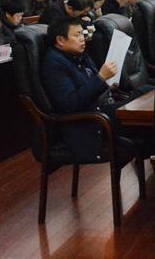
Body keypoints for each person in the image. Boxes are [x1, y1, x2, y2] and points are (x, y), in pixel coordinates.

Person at [40, 18, 141, 160]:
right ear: (60, 40)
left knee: (146, 92)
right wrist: (101, 79)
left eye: (82, 33)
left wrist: (108, 85)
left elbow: (92, 85)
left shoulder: (79, 55)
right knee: (148, 114)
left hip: (103, 107)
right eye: (77, 35)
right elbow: (70, 103)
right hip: (92, 121)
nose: (82, 38)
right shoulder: (53, 65)